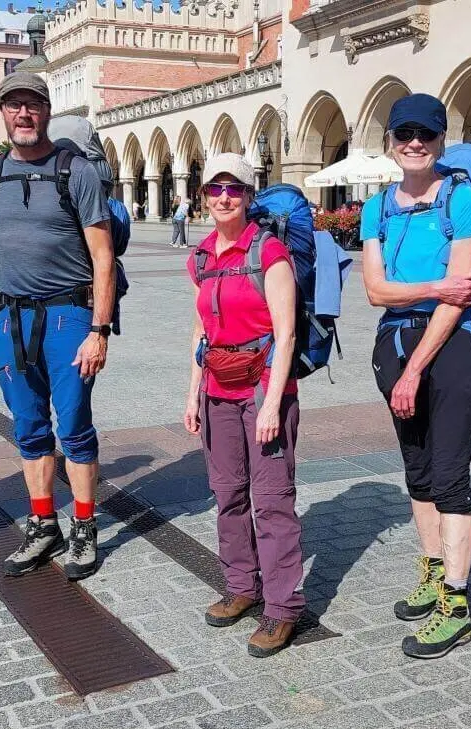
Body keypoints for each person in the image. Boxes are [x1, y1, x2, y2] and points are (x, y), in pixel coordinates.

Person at [0, 71, 116, 581]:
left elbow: (102, 255)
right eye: (14, 105)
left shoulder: (77, 171)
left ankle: (85, 527)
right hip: (10, 318)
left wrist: (99, 329)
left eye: (33, 105)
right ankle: (43, 523)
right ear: (1, 113)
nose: (23, 114)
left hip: (69, 315)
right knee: (29, 429)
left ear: (46, 111)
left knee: (73, 426)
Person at [360, 93, 471, 659]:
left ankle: (456, 604)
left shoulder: (463, 201)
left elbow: (462, 300)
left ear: (440, 141)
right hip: (396, 340)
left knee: (448, 475)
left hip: (453, 344)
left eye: (426, 134)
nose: (415, 142)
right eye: (404, 133)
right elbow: (374, 292)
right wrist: (436, 285)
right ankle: (434, 574)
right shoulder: (376, 207)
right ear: (390, 142)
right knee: (416, 472)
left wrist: (415, 368)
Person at [182, 153, 304, 658]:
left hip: (261, 391)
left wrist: (273, 403)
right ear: (203, 196)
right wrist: (191, 390)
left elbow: (287, 332)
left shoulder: (269, 252)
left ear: (248, 195)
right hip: (217, 388)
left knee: (272, 501)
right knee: (227, 493)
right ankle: (241, 586)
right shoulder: (202, 258)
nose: (224, 197)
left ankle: (282, 608)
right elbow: (201, 329)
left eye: (233, 188)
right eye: (215, 189)